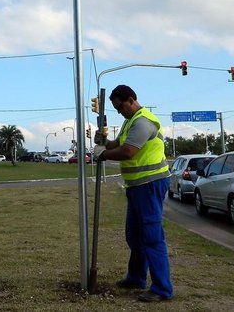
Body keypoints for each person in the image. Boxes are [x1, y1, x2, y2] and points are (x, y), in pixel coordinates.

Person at [93, 85, 173, 303]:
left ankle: (162, 289)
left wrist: (103, 155)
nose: (120, 112)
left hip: (150, 184)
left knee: (152, 237)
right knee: (134, 235)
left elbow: (128, 151)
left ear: (130, 100)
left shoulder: (143, 121)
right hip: (136, 187)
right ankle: (136, 277)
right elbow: (118, 144)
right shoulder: (130, 121)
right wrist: (104, 142)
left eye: (120, 107)